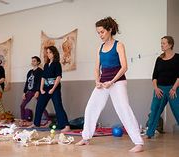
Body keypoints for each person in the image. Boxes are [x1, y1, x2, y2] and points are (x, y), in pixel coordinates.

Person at [75, 17, 144, 153]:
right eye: (98, 33)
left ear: (110, 30)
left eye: (102, 32)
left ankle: (139, 143)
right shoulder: (100, 48)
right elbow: (96, 68)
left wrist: (111, 82)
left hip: (117, 81)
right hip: (102, 82)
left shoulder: (119, 45)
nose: (100, 35)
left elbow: (124, 67)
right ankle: (86, 137)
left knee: (123, 109)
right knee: (91, 107)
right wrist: (97, 81)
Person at [28, 46, 70, 132]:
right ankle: (36, 123)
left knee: (58, 106)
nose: (48, 54)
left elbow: (58, 77)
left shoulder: (57, 64)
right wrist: (41, 89)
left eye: (50, 52)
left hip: (54, 88)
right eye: (47, 53)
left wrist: (53, 89)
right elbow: (43, 78)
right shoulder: (46, 65)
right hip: (45, 88)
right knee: (39, 105)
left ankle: (66, 126)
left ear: (54, 53)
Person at [146, 36, 179, 138]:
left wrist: (174, 88)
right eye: (161, 43)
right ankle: (149, 133)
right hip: (159, 89)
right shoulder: (159, 59)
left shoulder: (178, 58)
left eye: (164, 43)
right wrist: (156, 88)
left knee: (178, 111)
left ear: (170, 45)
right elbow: (154, 76)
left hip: (173, 89)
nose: (162, 45)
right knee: (154, 111)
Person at [20, 56, 50, 123]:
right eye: (32, 61)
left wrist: (37, 91)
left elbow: (40, 82)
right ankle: (22, 119)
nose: (32, 62)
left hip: (36, 91)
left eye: (34, 61)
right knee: (22, 105)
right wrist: (24, 92)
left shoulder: (40, 71)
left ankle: (49, 120)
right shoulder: (30, 72)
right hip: (29, 91)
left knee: (41, 106)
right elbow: (27, 82)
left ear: (38, 62)